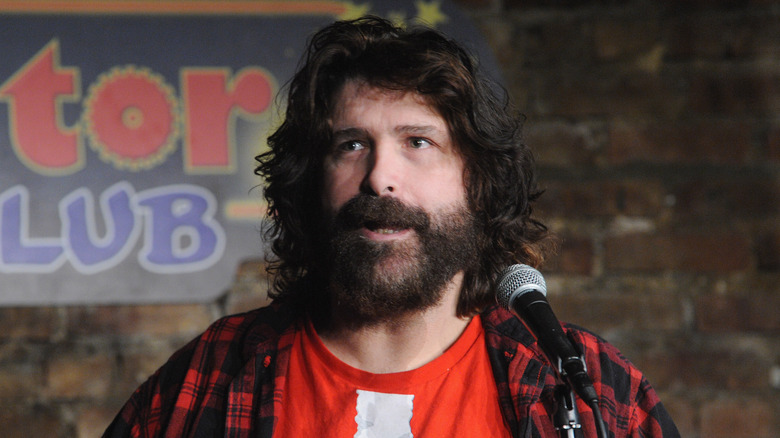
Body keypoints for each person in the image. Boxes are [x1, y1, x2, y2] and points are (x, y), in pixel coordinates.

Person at [104, 16, 680, 437]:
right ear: (309, 183)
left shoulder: (588, 390)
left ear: (478, 187)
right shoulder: (207, 379)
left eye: (418, 142)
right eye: (351, 144)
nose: (380, 176)